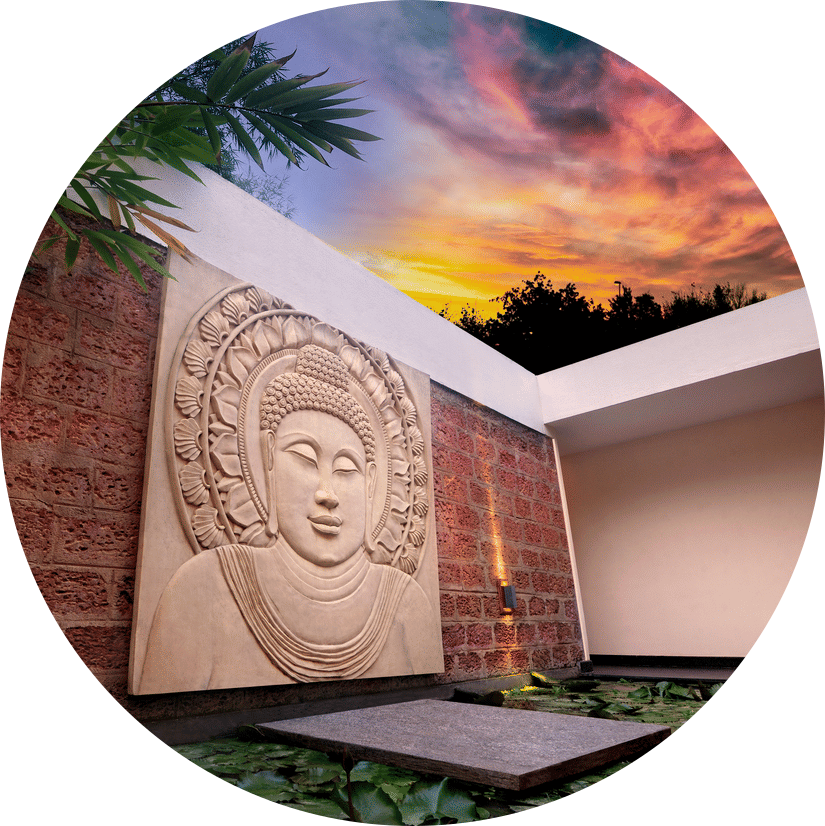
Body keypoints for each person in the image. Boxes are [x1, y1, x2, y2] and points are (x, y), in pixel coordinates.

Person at [139, 345, 439, 693]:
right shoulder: (202, 588)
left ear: (370, 482)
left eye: (346, 469)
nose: (327, 493)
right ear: (268, 458)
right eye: (305, 459)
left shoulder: (408, 603)